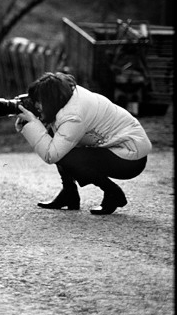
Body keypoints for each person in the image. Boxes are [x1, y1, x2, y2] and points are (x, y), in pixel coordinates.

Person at [14, 72, 152, 215]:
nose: (37, 105)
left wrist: (33, 123)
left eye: (39, 101)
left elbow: (51, 154)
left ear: (51, 100)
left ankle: (112, 192)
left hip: (130, 158)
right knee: (56, 140)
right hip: (120, 148)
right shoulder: (67, 97)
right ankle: (69, 193)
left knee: (64, 155)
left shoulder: (73, 115)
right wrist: (38, 119)